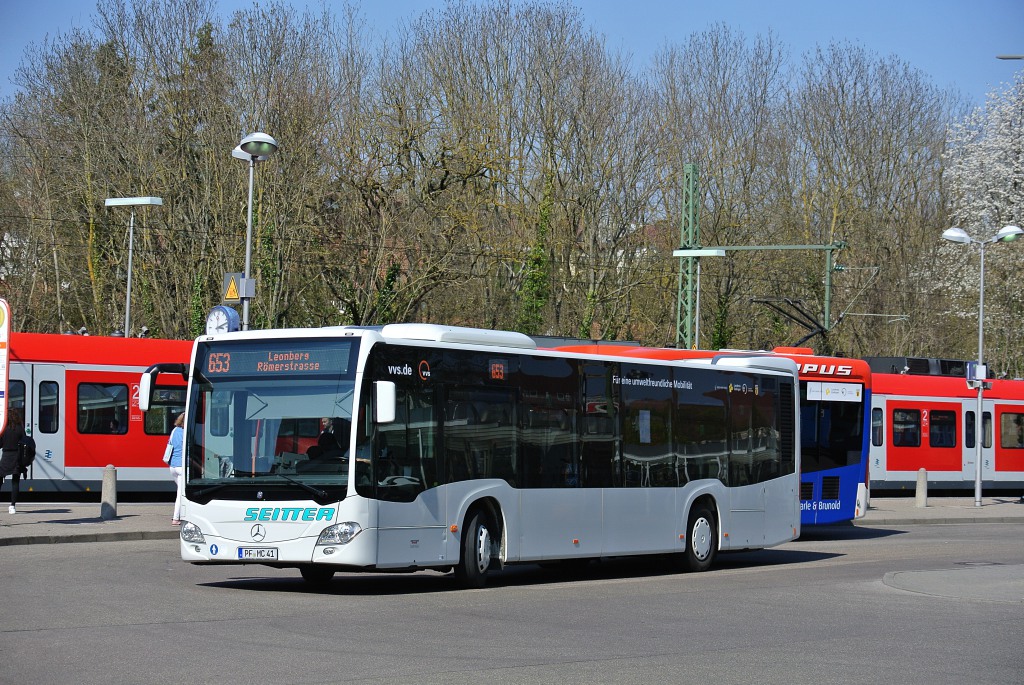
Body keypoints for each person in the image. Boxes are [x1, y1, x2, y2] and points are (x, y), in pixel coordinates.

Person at [0, 408, 27, 514]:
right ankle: (12, 506)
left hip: (6, 456)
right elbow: (25, 442)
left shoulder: (4, 429)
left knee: (0, 480)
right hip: (17, 456)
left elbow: (0, 444)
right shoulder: (20, 429)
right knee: (15, 482)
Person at [166, 412, 185, 525]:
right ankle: (176, 518)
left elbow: (170, 445)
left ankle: (182, 514)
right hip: (182, 467)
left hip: (172, 466)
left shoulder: (174, 431)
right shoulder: (185, 432)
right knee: (180, 493)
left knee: (181, 491)